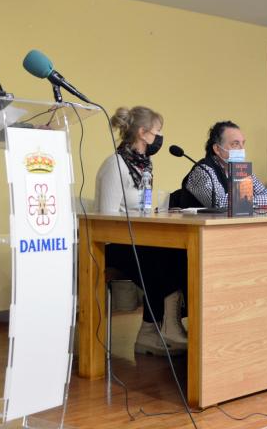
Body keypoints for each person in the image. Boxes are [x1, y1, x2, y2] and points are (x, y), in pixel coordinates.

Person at [94, 106, 188, 356]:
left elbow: (141, 208)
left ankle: (154, 330)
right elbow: (107, 219)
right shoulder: (115, 165)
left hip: (138, 240)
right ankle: (156, 328)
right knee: (160, 259)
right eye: (157, 132)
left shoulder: (144, 166)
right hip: (113, 245)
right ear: (143, 133)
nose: (159, 137)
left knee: (175, 253)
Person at [184, 121, 267, 209]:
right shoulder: (203, 171)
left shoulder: (241, 169)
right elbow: (219, 203)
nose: (242, 149)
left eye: (243, 143)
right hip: (190, 230)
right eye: (235, 144)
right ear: (217, 149)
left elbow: (263, 192)